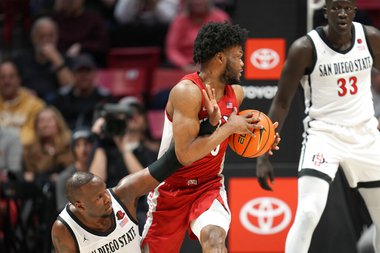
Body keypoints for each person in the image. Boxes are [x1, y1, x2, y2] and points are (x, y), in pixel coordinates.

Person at [141, 22, 280, 253]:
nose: (243, 63)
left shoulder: (236, 93)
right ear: (219, 59)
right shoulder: (187, 92)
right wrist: (228, 128)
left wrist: (261, 140)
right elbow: (184, 154)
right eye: (238, 56)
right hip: (170, 189)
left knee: (215, 239)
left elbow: (229, 138)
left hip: (208, 186)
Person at [255, 0, 380, 252]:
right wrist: (262, 153)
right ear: (325, 12)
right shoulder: (304, 48)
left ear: (355, 11)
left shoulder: (371, 38)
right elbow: (281, 102)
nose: (342, 13)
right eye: (335, 8)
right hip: (324, 136)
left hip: (365, 135)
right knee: (308, 212)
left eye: (347, 8)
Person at [50, 82, 234, 252]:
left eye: (104, 191)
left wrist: (211, 125)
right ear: (80, 205)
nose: (107, 198)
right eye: (98, 197)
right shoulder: (64, 229)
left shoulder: (123, 194)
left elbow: (171, 161)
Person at [12, 17, 74, 103]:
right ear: (33, 38)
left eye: (50, 36)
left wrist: (56, 60)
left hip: (57, 106)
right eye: (42, 36)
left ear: (56, 37)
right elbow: (10, 85)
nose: (46, 40)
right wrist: (23, 93)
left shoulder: (64, 59)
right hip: (27, 104)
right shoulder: (20, 59)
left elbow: (71, 87)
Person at [51, 53, 115, 130]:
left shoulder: (105, 98)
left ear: (94, 73)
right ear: (73, 74)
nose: (84, 76)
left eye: (87, 71)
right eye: (80, 71)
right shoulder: (62, 97)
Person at [165, 0, 230, 72]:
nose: (198, 2)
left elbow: (226, 47)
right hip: (182, 68)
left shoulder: (220, 18)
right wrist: (185, 65)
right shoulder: (179, 20)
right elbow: (172, 50)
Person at [0, 60, 46, 146]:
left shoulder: (34, 104)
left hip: (26, 154)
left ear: (19, 79)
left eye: (11, 76)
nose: (7, 81)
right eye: (2, 77)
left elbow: (33, 135)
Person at [55, 127, 95, 211]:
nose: (83, 149)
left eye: (86, 144)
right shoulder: (66, 178)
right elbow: (64, 210)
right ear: (73, 149)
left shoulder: (102, 171)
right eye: (78, 145)